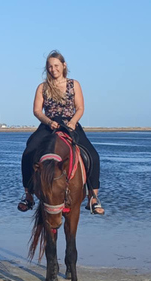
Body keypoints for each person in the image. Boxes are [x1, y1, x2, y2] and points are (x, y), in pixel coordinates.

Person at [18, 51, 104, 215]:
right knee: (28, 152)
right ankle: (28, 195)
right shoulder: (43, 87)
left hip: (70, 124)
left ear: (63, 66)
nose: (53, 69)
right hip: (48, 125)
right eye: (50, 66)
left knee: (93, 155)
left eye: (56, 65)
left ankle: (93, 197)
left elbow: (80, 108)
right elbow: (37, 111)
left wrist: (72, 122)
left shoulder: (74, 84)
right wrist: (49, 122)